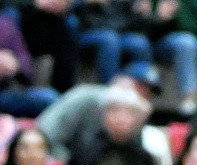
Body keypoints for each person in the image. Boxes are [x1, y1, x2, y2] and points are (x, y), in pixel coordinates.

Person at [39, 63, 170, 165]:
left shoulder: (138, 113)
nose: (142, 95)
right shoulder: (85, 98)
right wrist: (67, 160)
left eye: (149, 93)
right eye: (139, 87)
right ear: (119, 81)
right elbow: (44, 133)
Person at [66, 84, 157, 165]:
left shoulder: (142, 157)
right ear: (104, 115)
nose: (120, 118)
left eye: (129, 112)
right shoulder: (84, 152)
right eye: (114, 111)